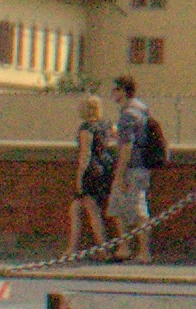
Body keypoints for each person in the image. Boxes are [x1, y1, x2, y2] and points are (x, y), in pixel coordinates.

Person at [104, 75, 157, 262]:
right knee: (130, 208)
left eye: (115, 90)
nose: (112, 93)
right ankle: (132, 248)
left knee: (130, 209)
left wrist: (119, 175)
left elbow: (127, 146)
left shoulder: (128, 115)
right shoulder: (142, 109)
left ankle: (138, 250)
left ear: (123, 91)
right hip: (142, 166)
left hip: (131, 168)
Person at [65, 98, 114, 262]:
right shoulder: (105, 125)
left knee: (93, 210)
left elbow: (85, 154)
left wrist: (80, 178)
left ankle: (104, 249)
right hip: (104, 168)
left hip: (91, 171)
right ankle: (72, 248)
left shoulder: (86, 128)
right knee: (76, 208)